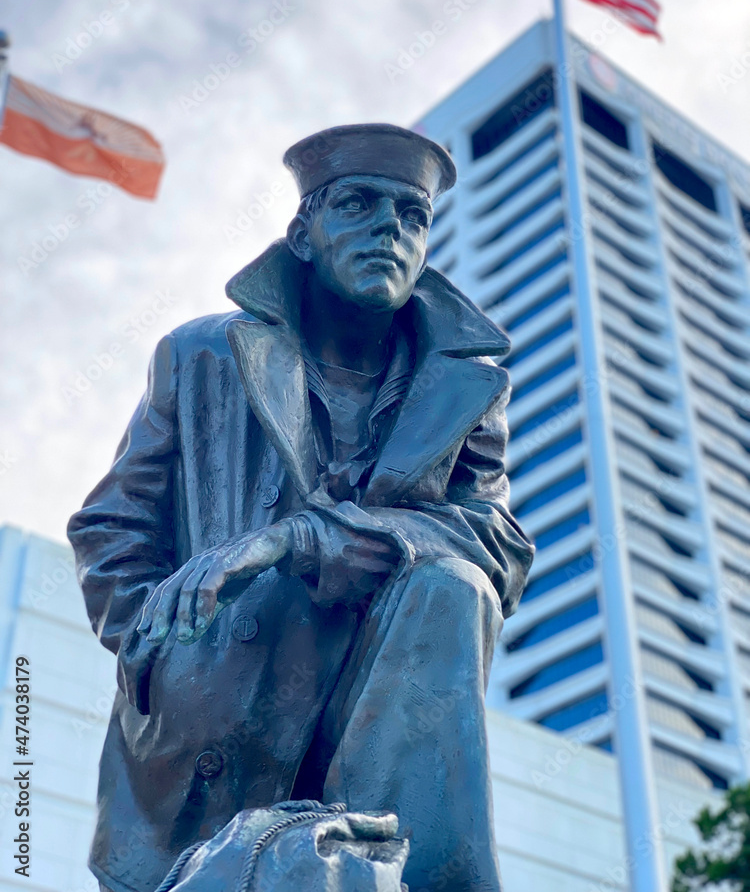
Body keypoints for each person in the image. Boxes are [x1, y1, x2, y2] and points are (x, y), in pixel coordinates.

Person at [68, 123, 535, 892]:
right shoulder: (202, 354)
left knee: (455, 585)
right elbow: (111, 526)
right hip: (223, 708)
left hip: (384, 696)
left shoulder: (470, 388)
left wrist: (301, 537)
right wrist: (158, 646)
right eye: (358, 203)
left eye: (412, 216)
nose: (390, 226)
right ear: (304, 234)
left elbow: (498, 542)